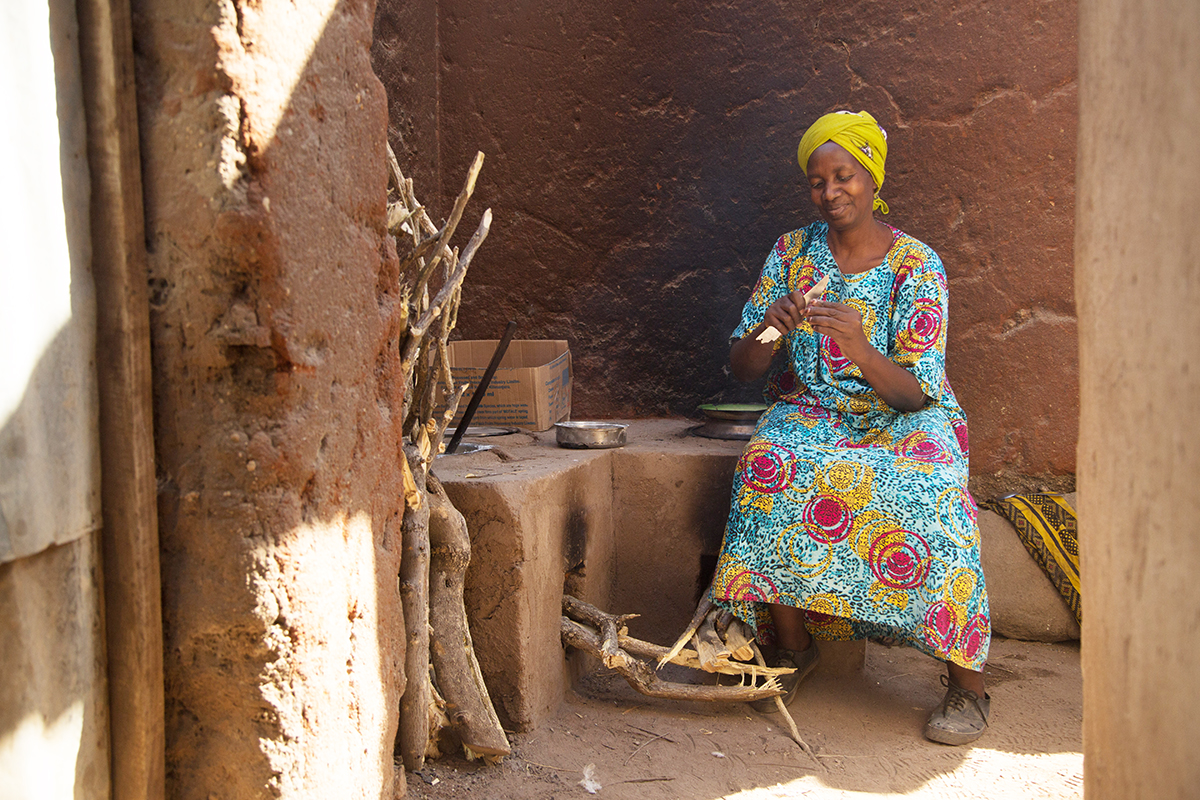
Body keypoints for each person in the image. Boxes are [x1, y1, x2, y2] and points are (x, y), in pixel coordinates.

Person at [711, 110, 991, 745]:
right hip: (814, 411)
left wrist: (862, 349)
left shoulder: (916, 264)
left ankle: (968, 684)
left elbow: (917, 393)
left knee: (935, 494)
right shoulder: (791, 253)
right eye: (817, 181)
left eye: (844, 176)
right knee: (766, 463)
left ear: (871, 178)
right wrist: (770, 328)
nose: (830, 191)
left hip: (903, 414)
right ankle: (792, 646)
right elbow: (742, 367)